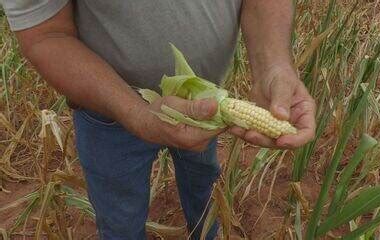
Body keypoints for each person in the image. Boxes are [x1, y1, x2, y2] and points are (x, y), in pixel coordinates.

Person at [2, 0, 316, 239]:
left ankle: (204, 230)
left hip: (205, 106)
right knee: (120, 213)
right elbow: (46, 33)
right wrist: (135, 112)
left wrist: (273, 64)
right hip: (108, 116)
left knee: (203, 179)